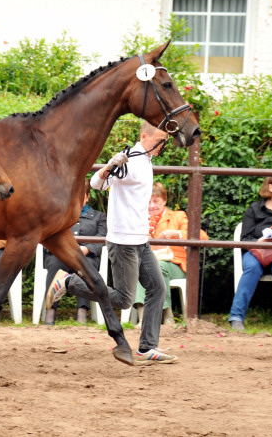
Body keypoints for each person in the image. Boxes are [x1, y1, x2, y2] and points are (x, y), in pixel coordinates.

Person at [47, 121, 178, 364]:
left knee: (157, 288)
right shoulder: (129, 160)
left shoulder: (146, 160)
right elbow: (97, 183)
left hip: (140, 241)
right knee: (123, 299)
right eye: (159, 139)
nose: (163, 145)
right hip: (124, 242)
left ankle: (147, 347)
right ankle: (69, 281)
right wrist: (109, 166)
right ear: (144, 136)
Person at [133, 182, 209, 327]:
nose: (151, 206)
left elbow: (202, 236)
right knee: (143, 266)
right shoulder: (140, 219)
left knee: (156, 266)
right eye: (148, 201)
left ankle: (166, 315)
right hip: (150, 262)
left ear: (165, 201)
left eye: (156, 201)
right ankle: (145, 318)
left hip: (176, 264)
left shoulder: (177, 216)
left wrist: (177, 234)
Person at [44, 179, 106, 325]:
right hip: (60, 254)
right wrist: (61, 250)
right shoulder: (58, 214)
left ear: (87, 196)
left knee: (85, 265)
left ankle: (82, 311)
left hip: (86, 255)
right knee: (54, 263)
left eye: (80, 195)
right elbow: (46, 235)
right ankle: (50, 311)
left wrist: (87, 248)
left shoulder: (99, 217)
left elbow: (102, 237)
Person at [229, 176, 272, 331]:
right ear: (270, 187)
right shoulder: (255, 208)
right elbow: (245, 238)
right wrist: (260, 242)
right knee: (251, 267)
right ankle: (236, 317)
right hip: (257, 252)